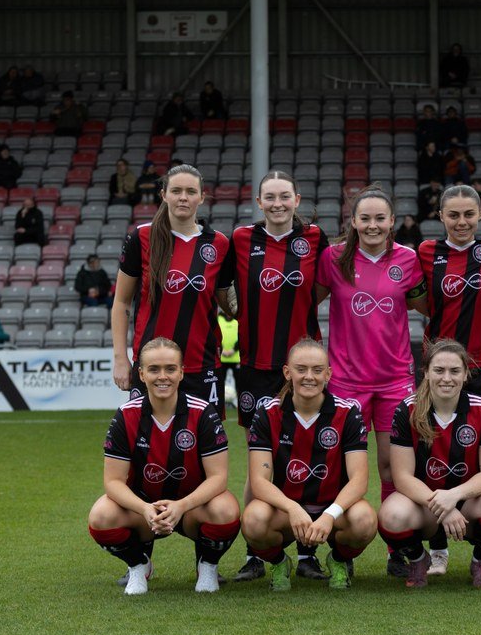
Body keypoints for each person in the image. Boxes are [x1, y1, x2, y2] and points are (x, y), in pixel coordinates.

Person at [221, 170, 330, 582]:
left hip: (305, 368)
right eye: (271, 197)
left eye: (286, 196)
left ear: (297, 200)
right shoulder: (241, 239)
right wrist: (242, 313)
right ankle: (257, 550)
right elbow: (222, 290)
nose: (279, 203)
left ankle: (307, 553)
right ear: (259, 201)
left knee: (309, 456)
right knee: (259, 464)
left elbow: (321, 286)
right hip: (256, 368)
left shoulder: (314, 239)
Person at [315, 185, 427, 575]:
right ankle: (335, 547)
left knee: (391, 468)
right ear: (354, 221)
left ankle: (399, 549)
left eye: (381, 218)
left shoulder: (409, 260)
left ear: (392, 221)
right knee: (340, 467)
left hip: (395, 379)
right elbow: (305, 302)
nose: (373, 225)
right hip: (346, 381)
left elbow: (426, 307)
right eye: (366, 218)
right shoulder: (333, 258)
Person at [88, 337, 240, 595]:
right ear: (141, 374)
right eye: (154, 369)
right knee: (101, 516)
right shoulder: (126, 415)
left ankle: (207, 565)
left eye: (170, 369)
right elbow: (113, 481)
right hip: (144, 510)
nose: (163, 376)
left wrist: (181, 506)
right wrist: (145, 509)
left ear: (182, 372)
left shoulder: (203, 412)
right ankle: (138, 566)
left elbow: (218, 478)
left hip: (191, 507)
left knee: (226, 510)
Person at [415, 186, 481, 576]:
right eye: (453, 215)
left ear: (480, 213)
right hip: (440, 368)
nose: (461, 222)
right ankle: (437, 548)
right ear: (441, 216)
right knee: (432, 450)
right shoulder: (426, 253)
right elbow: (422, 302)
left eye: (469, 214)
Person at [241, 339, 378, 591]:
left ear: (328, 373)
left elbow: (359, 479)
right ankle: (280, 562)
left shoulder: (348, 413)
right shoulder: (267, 413)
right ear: (287, 372)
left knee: (365, 520)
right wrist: (292, 508)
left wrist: (329, 515)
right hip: (286, 509)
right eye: (301, 369)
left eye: (317, 370)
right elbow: (259, 482)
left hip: (333, 509)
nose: (309, 377)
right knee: (253, 520)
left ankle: (338, 560)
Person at [378, 340, 481, 588]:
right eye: (439, 370)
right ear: (426, 372)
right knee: (391, 514)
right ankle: (419, 560)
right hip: (424, 504)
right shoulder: (406, 410)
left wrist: (454, 496)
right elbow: (402, 477)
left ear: (465, 374)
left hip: (469, 503)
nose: (446, 378)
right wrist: (444, 506)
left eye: (454, 371)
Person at [112, 165, 233, 408]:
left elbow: (226, 301)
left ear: (201, 197)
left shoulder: (219, 243)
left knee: (205, 445)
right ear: (164, 194)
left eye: (190, 191)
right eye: (176, 190)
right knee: (148, 443)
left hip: (203, 364)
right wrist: (120, 358)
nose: (183, 197)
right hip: (152, 365)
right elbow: (122, 302)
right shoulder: (141, 237)